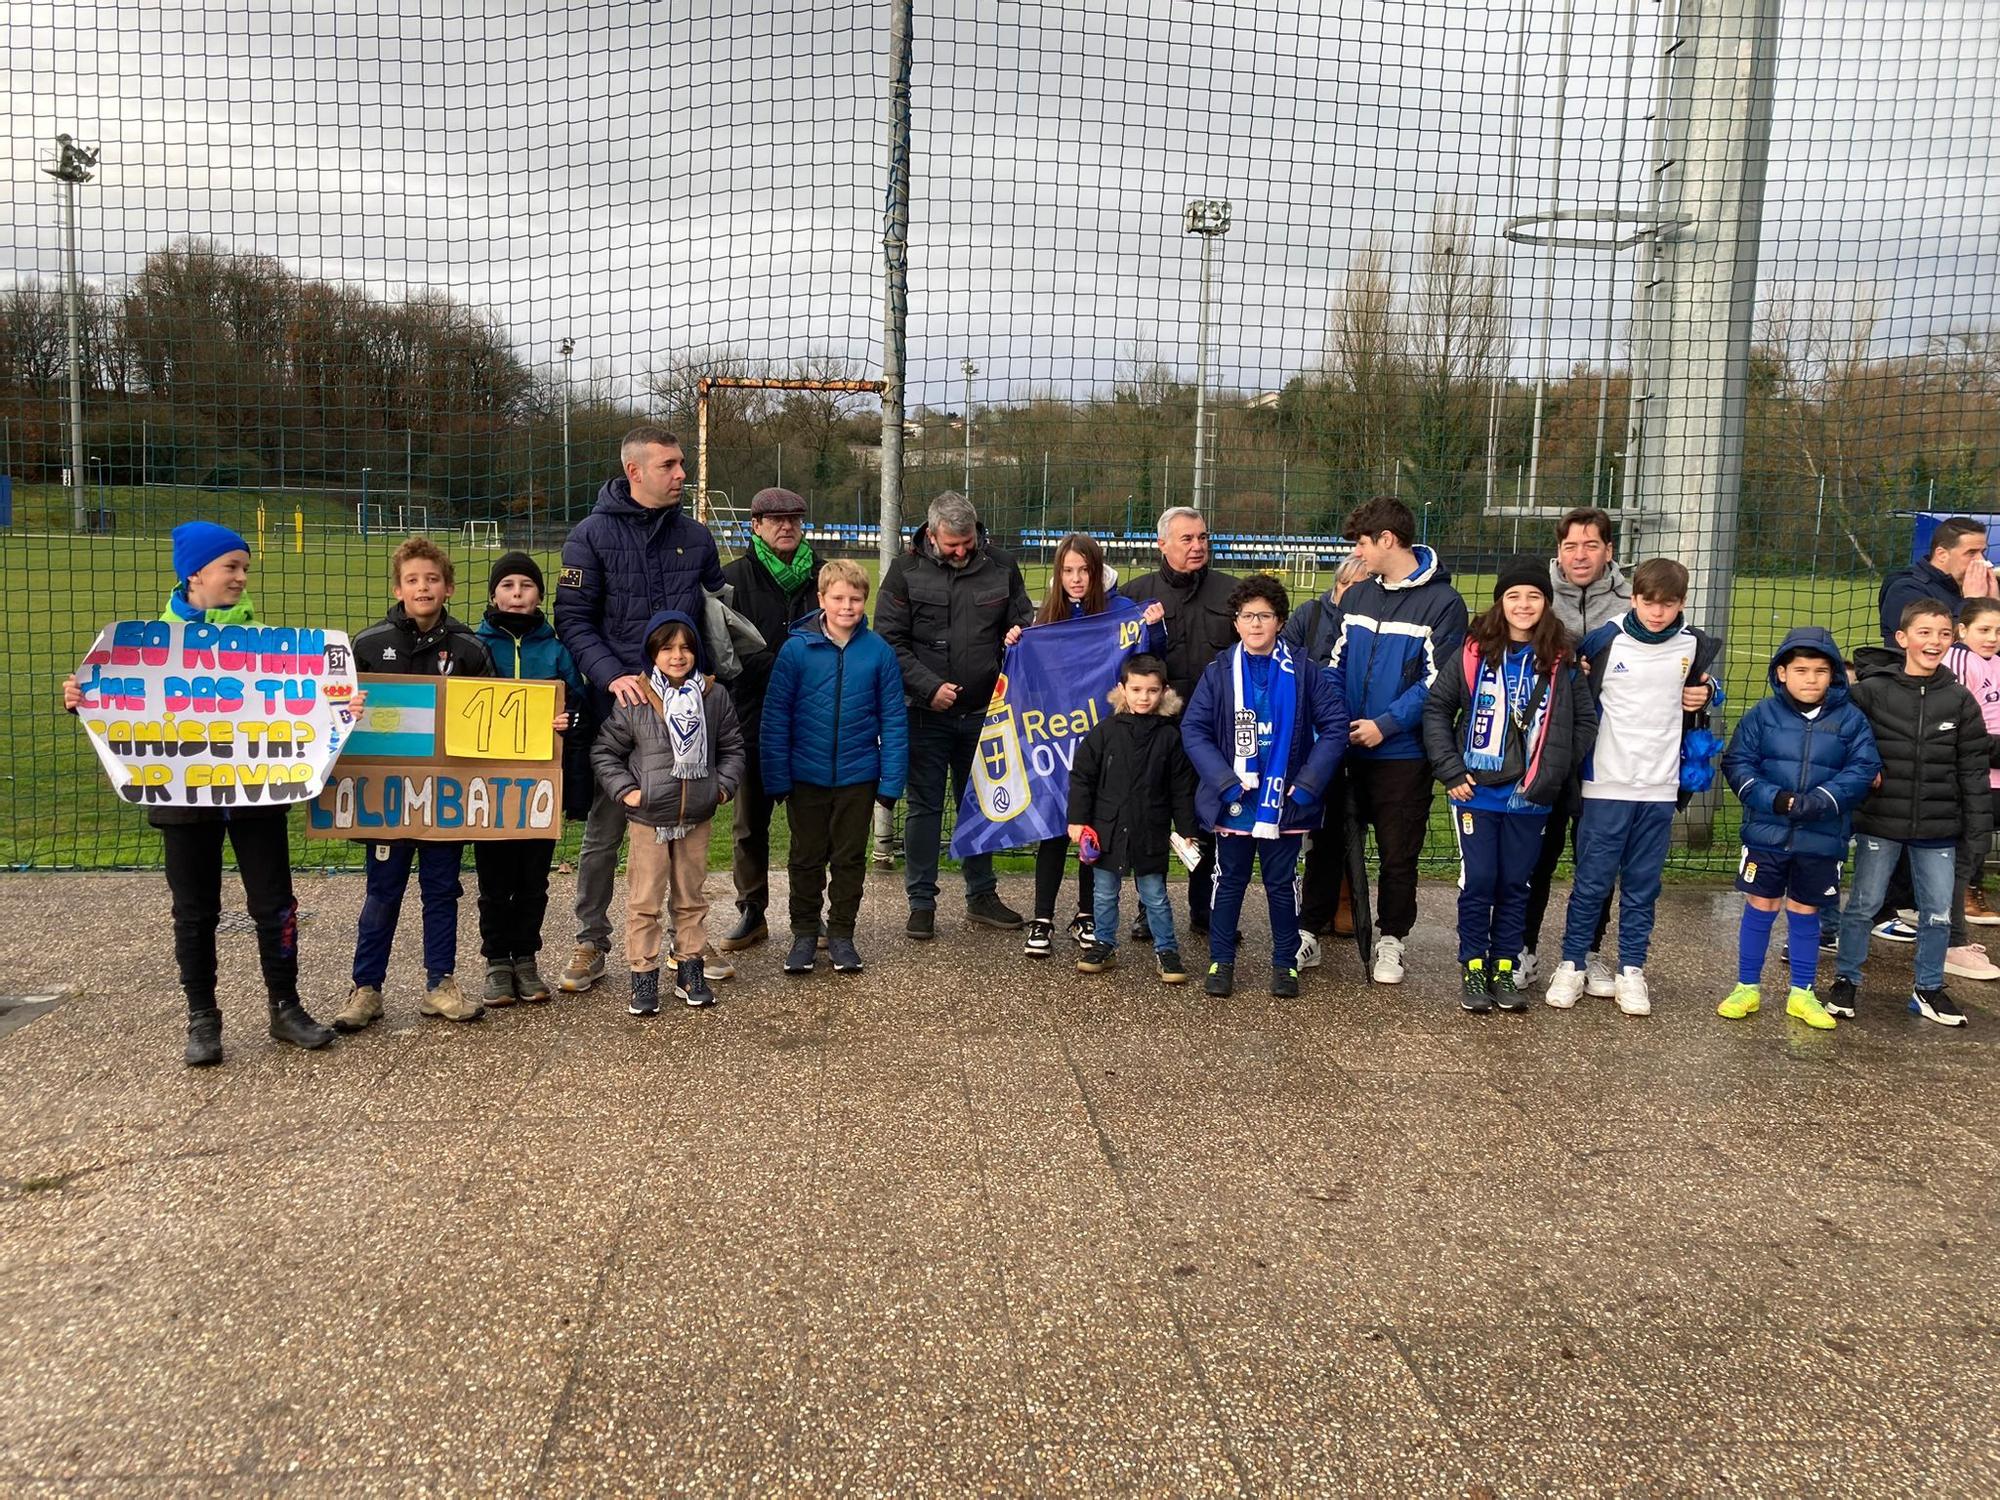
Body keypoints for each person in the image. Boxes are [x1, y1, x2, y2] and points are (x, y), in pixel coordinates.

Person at [61, 520, 337, 1066]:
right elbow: (117, 701)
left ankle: (285, 1007)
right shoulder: (141, 646)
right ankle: (202, 1019)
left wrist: (339, 703)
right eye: (231, 567)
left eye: (244, 569)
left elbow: (309, 701)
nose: (240, 578)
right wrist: (81, 695)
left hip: (258, 794)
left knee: (276, 904)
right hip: (183, 798)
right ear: (195, 573)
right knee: (194, 911)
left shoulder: (268, 646)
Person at [554, 425, 725, 994]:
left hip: (686, 710)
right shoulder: (589, 536)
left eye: (681, 465)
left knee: (687, 831)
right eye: (671, 465)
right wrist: (612, 676)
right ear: (636, 472)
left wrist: (708, 664)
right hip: (620, 711)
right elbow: (572, 620)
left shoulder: (697, 537)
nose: (682, 474)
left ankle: (689, 947)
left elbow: (712, 614)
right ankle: (591, 939)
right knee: (607, 830)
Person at [1544, 559, 1722, 1016]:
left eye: (1668, 604)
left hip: (1659, 787)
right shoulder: (1605, 638)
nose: (1657, 612)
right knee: (1591, 883)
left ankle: (1632, 971)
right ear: (1633, 598)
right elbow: (1572, 685)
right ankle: (1571, 963)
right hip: (1605, 781)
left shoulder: (1693, 646)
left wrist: (1710, 691)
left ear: (1682, 603)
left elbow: (1704, 686)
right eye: (1648, 602)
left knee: (1643, 886)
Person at [1422, 558, 1598, 1014]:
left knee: (1515, 884)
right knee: (1480, 880)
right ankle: (1474, 966)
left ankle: (1505, 966)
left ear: (1546, 602)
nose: (1524, 604)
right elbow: (1437, 710)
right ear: (1501, 602)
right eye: (1514, 595)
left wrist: (1552, 772)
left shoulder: (1563, 659)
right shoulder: (1474, 652)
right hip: (1476, 790)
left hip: (1531, 795)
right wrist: (1451, 770)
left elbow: (1583, 724)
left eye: (1534, 596)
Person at [335, 537, 495, 1032]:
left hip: (444, 798)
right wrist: (342, 709)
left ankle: (440, 984)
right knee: (383, 891)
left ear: (448, 587)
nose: (422, 587)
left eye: (432, 579)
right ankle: (366, 988)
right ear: (397, 588)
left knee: (442, 889)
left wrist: (545, 726)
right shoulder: (365, 645)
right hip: (386, 800)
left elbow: (497, 715)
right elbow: (331, 716)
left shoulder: (469, 647)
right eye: (412, 579)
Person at [1828, 600, 1994, 1028]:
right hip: (1880, 823)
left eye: (1942, 634)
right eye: (1923, 632)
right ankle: (1845, 981)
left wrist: (1976, 835)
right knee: (1863, 905)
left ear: (1953, 637)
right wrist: (1866, 772)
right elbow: (1839, 736)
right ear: (1902, 639)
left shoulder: (1959, 701)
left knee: (1938, 912)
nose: (1933, 642)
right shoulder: (1871, 693)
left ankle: (1929, 988)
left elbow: (1973, 772)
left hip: (1939, 830)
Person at [875, 491, 1033, 939]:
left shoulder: (1001, 566)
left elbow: (1022, 627)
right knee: (924, 807)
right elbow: (889, 639)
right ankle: (921, 902)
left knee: (982, 804)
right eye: (952, 544)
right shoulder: (905, 571)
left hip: (986, 713)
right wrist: (929, 687)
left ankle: (981, 895)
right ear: (931, 533)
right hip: (924, 714)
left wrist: (1017, 637)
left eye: (967, 542)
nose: (962, 551)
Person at [1182, 575, 1349, 999]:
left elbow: (1334, 728)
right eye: (1247, 616)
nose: (1256, 624)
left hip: (1286, 800)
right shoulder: (1219, 671)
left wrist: (1308, 784)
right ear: (1236, 622)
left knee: (1282, 882)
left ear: (1279, 621)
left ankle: (1284, 963)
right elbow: (1195, 729)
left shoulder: (1305, 670)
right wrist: (1223, 782)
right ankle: (1221, 961)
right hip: (1235, 799)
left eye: (1265, 616)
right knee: (1229, 879)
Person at [1327, 495, 1469, 985]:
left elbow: (1439, 681)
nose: (1359, 554)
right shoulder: (1362, 593)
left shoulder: (1445, 603)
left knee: (1397, 851)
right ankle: (1308, 930)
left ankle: (1392, 940)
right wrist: (1337, 720)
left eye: (1363, 544)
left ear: (1387, 540)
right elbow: (1336, 662)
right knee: (1328, 843)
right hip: (1346, 744)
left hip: (1403, 753)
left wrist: (1384, 725)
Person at [1717, 628, 1882, 1030]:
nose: (1811, 678)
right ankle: (1747, 987)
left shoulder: (1850, 720)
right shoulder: (1762, 715)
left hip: (1822, 837)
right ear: (1782, 673)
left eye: (1821, 671)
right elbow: (1737, 764)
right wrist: (1774, 798)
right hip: (1767, 835)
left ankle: (1802, 993)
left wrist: (1823, 800)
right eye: (1802, 670)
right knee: (1761, 906)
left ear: (1835, 676)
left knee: (1806, 911)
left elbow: (1863, 768)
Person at [591, 610, 745, 1015]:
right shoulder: (635, 698)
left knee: (690, 899)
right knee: (645, 900)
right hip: (649, 820)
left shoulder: (714, 697)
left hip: (696, 815)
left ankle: (689, 970)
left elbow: (732, 748)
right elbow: (606, 751)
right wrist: (627, 791)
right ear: (652, 653)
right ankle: (643, 977)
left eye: (686, 648)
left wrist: (722, 788)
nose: (678, 656)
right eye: (667, 648)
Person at [760, 560, 909, 976]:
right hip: (805, 776)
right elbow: (776, 718)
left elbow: (894, 719)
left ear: (866, 602)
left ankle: (842, 934)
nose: (847, 606)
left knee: (848, 859)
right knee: (805, 858)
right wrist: (776, 776)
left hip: (858, 776)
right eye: (839, 598)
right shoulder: (796, 650)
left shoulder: (878, 652)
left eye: (856, 599)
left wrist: (891, 780)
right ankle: (805, 934)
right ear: (822, 599)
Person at [1021, 533, 1166, 958]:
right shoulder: (1046, 617)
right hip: (1057, 738)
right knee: (1053, 826)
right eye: (1067, 570)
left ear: (1097, 569)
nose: (1076, 578)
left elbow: (1150, 659)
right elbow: (1029, 671)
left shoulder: (1121, 613)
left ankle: (1086, 914)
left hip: (1108, 741)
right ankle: (1042, 917)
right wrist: (1013, 644)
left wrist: (1154, 630)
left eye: (1084, 569)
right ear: (1057, 573)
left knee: (1095, 829)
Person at [1865, 516, 1993, 948]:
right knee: (1898, 805)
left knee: (1938, 803)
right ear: (1942, 553)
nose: (1981, 560)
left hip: (1945, 708)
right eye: (1972, 552)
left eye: (1984, 551)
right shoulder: (1906, 585)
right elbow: (1934, 643)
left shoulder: (1968, 591)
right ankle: (1880, 909)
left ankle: (1924, 904)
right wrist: (1973, 605)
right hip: (1902, 710)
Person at [1519, 507, 1632, 984]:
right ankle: (1520, 948)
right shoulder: (1536, 600)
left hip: (1611, 754)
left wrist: (1706, 690)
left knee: (1596, 861)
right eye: (1570, 546)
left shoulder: (1635, 602)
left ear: (1609, 551)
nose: (1580, 555)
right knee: (1535, 858)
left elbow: (1682, 656)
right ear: (1558, 552)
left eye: (1591, 545)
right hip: (1545, 753)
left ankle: (1587, 951)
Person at [472, 551, 584, 1007]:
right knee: (494, 879)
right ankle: (497, 961)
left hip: (541, 784)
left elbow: (578, 705)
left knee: (533, 877)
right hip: (488, 785)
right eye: (508, 586)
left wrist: (569, 720)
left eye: (526, 586)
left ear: (540, 595)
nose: (517, 595)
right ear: (494, 594)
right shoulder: (475, 646)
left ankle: (527, 959)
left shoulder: (555, 650)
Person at [1122, 506, 1240, 931]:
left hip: (1214, 732)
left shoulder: (1234, 595)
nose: (1197, 546)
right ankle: (1146, 909)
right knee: (1149, 818)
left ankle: (1204, 909)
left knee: (1207, 820)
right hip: (1154, 733)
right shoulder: (1135, 595)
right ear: (1162, 544)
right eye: (1187, 539)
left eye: (1203, 537)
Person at [718, 487, 821, 953]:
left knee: (810, 826)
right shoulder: (732, 579)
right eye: (775, 520)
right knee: (748, 825)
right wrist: (791, 664)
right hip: (752, 719)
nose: (786, 527)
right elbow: (730, 654)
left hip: (812, 721)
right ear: (755, 525)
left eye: (794, 520)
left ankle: (808, 915)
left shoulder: (823, 577)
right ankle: (751, 910)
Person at [1066, 653, 1198, 984]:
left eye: (1152, 691)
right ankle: (1104, 945)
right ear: (1123, 689)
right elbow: (1082, 776)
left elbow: (1182, 788)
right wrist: (1078, 819)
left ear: (1163, 691)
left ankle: (1167, 951)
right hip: (1107, 830)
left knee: (1154, 894)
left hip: (1150, 829)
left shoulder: (1170, 737)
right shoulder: (1105, 732)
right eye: (1136, 689)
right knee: (1104, 892)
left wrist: (1185, 830)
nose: (1144, 697)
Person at [1285, 551, 1371, 962]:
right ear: (1337, 587)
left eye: (1364, 586)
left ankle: (1345, 902)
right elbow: (1283, 660)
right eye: (1348, 585)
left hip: (1366, 735)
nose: (1355, 594)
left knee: (1347, 828)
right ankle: (1308, 920)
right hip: (1311, 740)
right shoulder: (1311, 615)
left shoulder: (1375, 626)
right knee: (1314, 827)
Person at [1945, 598, 2000, 978]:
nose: (1993, 638)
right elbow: (1960, 726)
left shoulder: (1996, 663)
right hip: (1975, 773)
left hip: (1993, 773)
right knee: (1962, 852)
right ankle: (1951, 937)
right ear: (1962, 631)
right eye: (1984, 629)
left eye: (1998, 631)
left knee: (1975, 846)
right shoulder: (1960, 661)